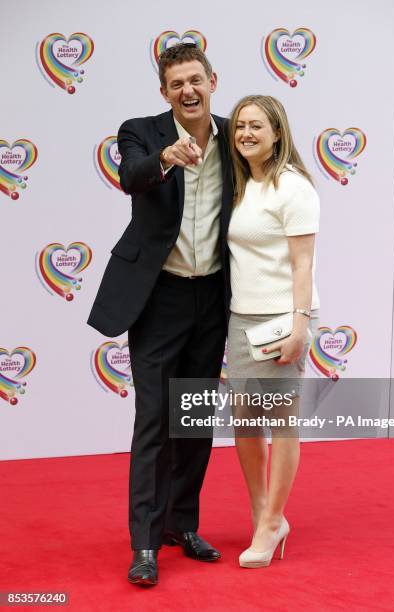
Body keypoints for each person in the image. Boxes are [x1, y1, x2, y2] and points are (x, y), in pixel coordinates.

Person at [88, 43, 233, 587]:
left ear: (212, 80)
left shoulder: (234, 137)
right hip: (158, 297)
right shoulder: (141, 131)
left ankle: (183, 524)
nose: (187, 91)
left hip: (213, 297)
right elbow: (131, 176)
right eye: (176, 84)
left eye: (196, 80)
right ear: (164, 91)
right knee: (154, 421)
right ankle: (145, 544)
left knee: (192, 420)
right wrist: (168, 157)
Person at [226, 95, 320, 568]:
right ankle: (263, 514)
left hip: (283, 319)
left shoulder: (293, 187)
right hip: (242, 320)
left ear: (277, 132)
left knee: (282, 425)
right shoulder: (244, 185)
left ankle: (271, 521)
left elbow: (303, 263)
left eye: (256, 125)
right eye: (240, 125)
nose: (245, 133)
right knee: (245, 425)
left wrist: (300, 325)